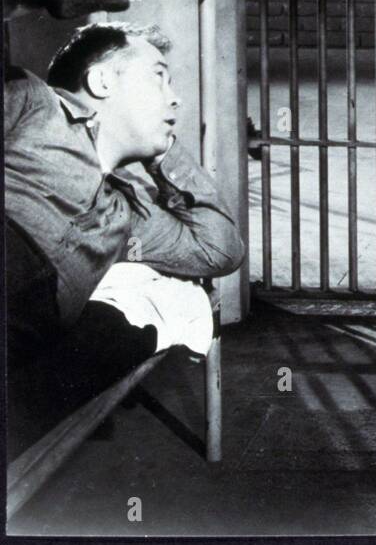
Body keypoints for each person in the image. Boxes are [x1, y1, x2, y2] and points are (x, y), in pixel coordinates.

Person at [5, 22, 245, 381]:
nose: (175, 98)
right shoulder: (34, 100)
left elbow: (218, 249)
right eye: (158, 77)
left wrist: (166, 155)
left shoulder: (127, 214)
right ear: (102, 81)